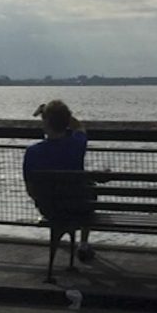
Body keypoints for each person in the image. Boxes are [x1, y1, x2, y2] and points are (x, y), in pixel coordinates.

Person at [22, 100, 94, 263]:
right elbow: (80, 128)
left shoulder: (32, 152)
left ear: (46, 124)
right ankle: (83, 243)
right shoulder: (77, 144)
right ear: (66, 121)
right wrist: (63, 116)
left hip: (50, 210)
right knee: (88, 190)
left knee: (81, 191)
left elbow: (30, 189)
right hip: (79, 209)